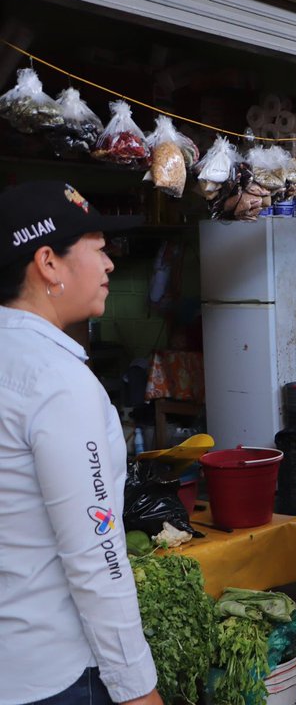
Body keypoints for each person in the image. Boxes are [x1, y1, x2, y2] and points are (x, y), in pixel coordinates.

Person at [0, 181, 161, 705]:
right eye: (97, 246)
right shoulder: (57, 381)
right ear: (49, 262)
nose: (110, 264)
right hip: (53, 673)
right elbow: (96, 555)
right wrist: (138, 690)